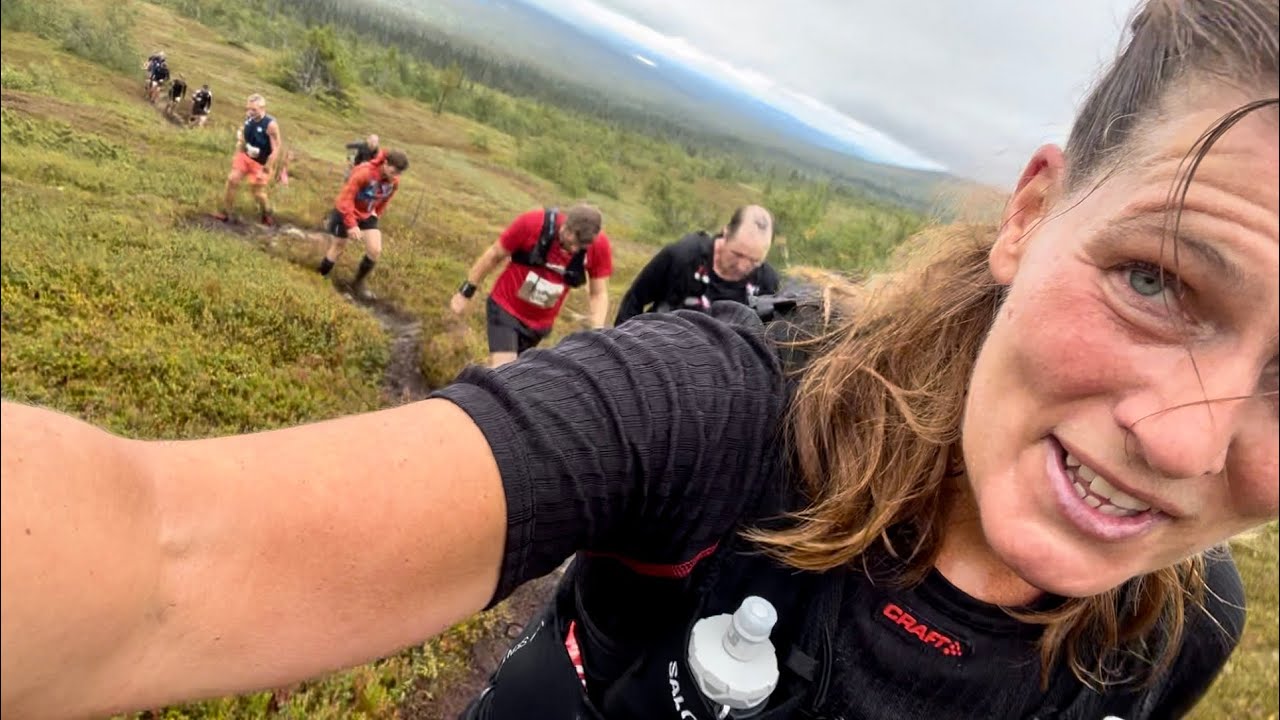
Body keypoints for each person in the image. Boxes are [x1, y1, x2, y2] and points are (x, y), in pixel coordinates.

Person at [1, 1, 1277, 719]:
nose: (1180, 439)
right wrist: (572, 387)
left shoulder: (1177, 631)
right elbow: (164, 552)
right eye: (1155, 279)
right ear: (1026, 215)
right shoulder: (726, 402)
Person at [450, 203, 613, 367]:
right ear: (566, 226)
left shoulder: (598, 246)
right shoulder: (532, 224)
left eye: (580, 247)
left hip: (539, 326)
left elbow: (598, 293)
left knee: (512, 377)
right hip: (505, 308)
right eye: (571, 243)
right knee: (503, 370)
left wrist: (596, 332)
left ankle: (472, 385)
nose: (574, 249)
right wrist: (466, 292)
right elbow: (494, 255)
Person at [615, 204, 781, 326]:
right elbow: (634, 301)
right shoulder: (683, 256)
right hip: (656, 350)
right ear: (726, 232)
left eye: (754, 261)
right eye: (737, 254)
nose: (742, 266)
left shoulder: (767, 283)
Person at [317, 149, 410, 300]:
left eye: (399, 173)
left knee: (375, 250)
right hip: (346, 210)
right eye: (394, 171)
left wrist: (375, 215)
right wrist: (352, 224)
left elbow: (385, 200)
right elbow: (345, 199)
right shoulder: (364, 173)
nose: (396, 176)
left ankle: (357, 284)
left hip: (367, 213)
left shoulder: (394, 181)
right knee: (339, 245)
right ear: (386, 163)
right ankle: (322, 275)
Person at [213, 94, 281, 226]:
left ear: (262, 108)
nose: (250, 112)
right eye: (248, 109)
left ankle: (266, 212)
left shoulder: (270, 125)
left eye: (253, 110)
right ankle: (227, 212)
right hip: (245, 156)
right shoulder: (249, 118)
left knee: (257, 192)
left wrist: (267, 168)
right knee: (232, 180)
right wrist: (238, 152)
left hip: (260, 162)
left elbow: (276, 149)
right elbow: (244, 137)